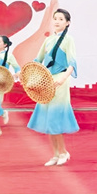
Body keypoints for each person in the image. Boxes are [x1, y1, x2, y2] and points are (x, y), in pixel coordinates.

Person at [27, 8, 79, 166]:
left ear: (67, 23)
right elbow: (38, 60)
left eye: (61, 19)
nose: (57, 21)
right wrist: (25, 73)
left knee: (55, 117)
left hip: (60, 81)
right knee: (48, 118)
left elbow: (72, 63)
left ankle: (63, 152)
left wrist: (63, 77)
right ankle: (55, 154)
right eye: (55, 18)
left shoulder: (68, 40)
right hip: (47, 81)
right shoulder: (48, 40)